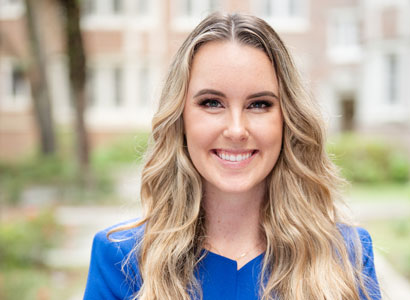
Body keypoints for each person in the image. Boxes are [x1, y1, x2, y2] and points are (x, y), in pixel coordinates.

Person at [83, 12, 381, 300]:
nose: (237, 130)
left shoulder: (345, 254)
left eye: (259, 104)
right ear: (180, 118)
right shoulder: (122, 259)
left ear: (287, 119)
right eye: (212, 103)